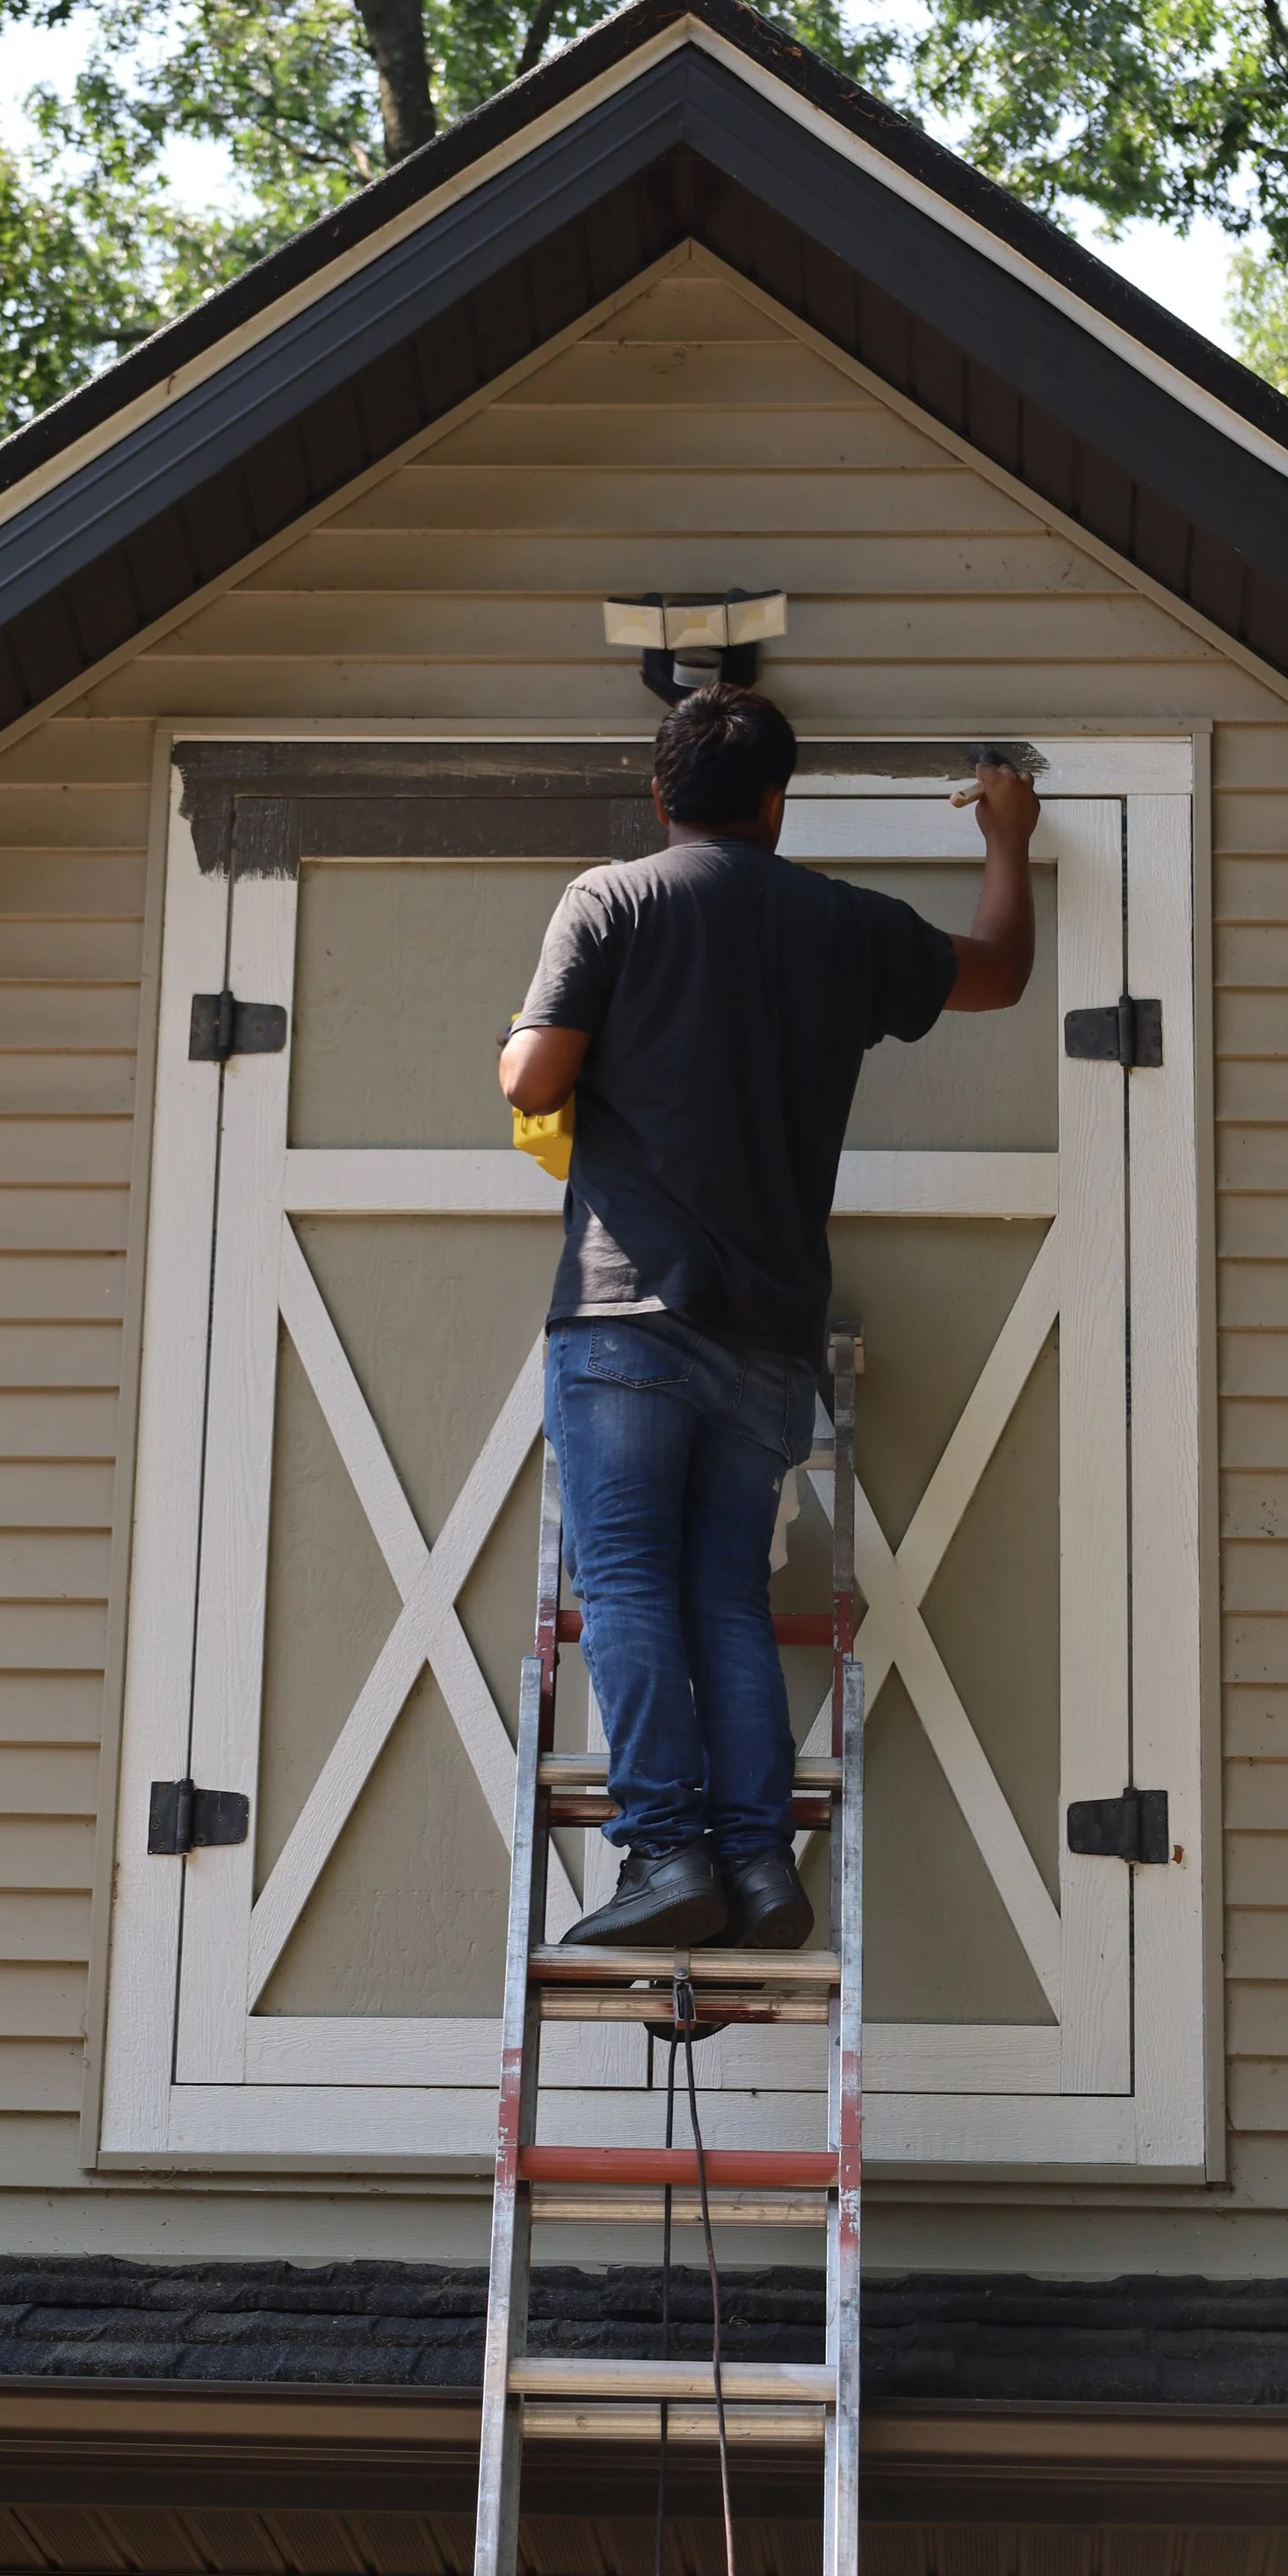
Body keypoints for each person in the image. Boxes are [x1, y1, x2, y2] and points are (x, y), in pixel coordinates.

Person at [498, 689, 1039, 1950]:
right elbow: (1003, 972)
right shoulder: (842, 926)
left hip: (627, 1312)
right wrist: (1005, 835)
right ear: (777, 803)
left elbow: (533, 1075)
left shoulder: (613, 900)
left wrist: (525, 1050)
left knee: (628, 1576)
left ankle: (670, 1849)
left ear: (659, 798)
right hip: (768, 1334)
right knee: (727, 1590)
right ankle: (758, 1867)